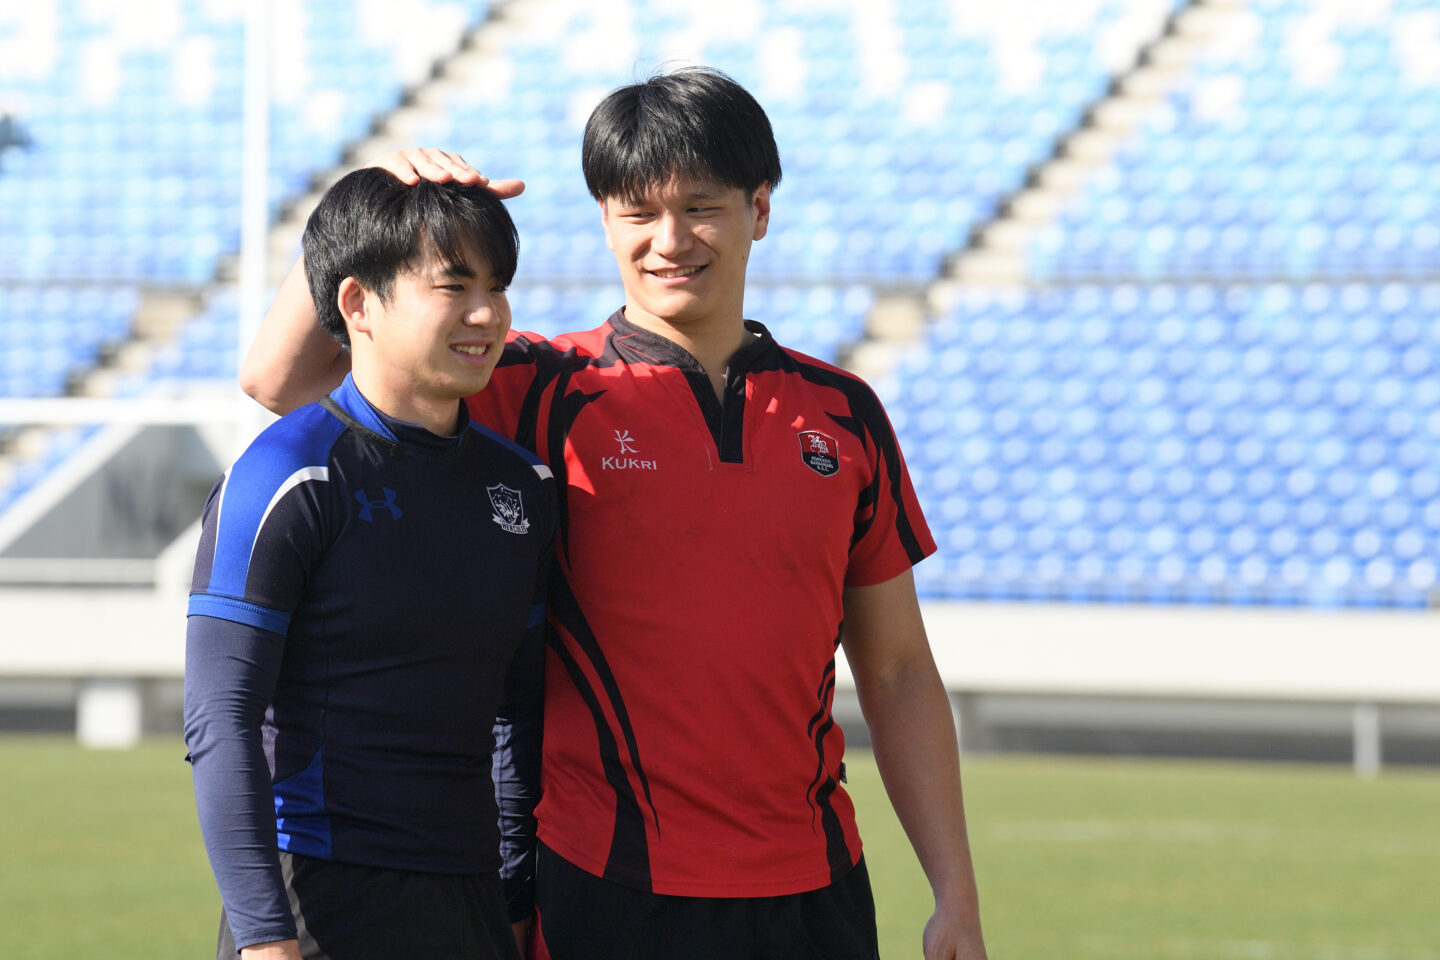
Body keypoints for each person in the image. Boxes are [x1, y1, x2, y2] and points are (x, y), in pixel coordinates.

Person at [241, 67, 987, 960]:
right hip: (606, 882)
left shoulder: (844, 413)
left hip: (815, 885)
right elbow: (280, 382)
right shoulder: (535, 386)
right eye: (639, 212)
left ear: (759, 209)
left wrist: (955, 891)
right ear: (603, 218)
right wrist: (365, 200)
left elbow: (898, 670)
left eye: (701, 208)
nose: (670, 241)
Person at [186, 168, 556, 960]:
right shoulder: (285, 473)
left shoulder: (521, 488)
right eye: (453, 286)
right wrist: (264, 937)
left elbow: (519, 716)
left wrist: (514, 895)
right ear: (358, 304)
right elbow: (221, 718)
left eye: (497, 286)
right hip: (317, 902)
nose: (487, 313)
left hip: (472, 905)